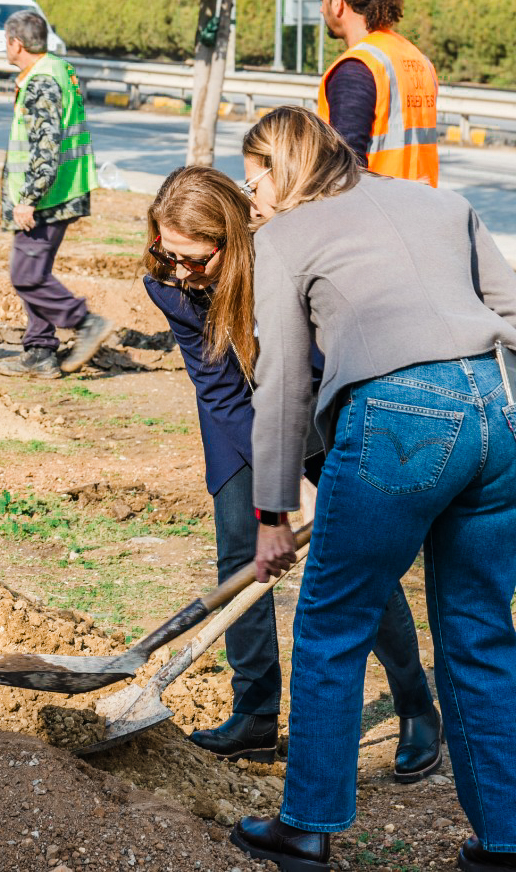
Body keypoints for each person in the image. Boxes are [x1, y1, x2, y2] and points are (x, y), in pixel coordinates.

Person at [229, 106, 516, 872]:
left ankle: (306, 826)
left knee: (335, 621)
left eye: (253, 181)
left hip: (401, 415)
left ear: (283, 166)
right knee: (479, 628)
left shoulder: (282, 238)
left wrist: (272, 510)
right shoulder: (439, 201)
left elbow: (279, 385)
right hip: (501, 409)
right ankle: (511, 846)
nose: (251, 200)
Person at [143, 166, 439, 777]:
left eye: (194, 260)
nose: (178, 271)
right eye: (166, 254)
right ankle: (253, 716)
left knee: (355, 557)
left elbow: (316, 368)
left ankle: (416, 706)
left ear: (233, 240)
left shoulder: (286, 262)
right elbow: (219, 391)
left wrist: (307, 478)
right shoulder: (169, 286)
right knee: (241, 554)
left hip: (320, 403)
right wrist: (278, 485)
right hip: (239, 421)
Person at [0, 9, 113, 377]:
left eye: (6, 41)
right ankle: (40, 352)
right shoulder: (57, 68)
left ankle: (84, 322)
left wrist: (28, 198)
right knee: (35, 271)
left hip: (48, 196)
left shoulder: (42, 82)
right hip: (59, 191)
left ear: (16, 44)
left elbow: (45, 149)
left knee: (26, 275)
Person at [316, 0, 439, 186]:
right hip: (422, 209)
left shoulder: (356, 68)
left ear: (337, 2)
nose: (322, 10)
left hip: (379, 213)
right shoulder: (417, 58)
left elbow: (345, 169)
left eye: (322, 0)